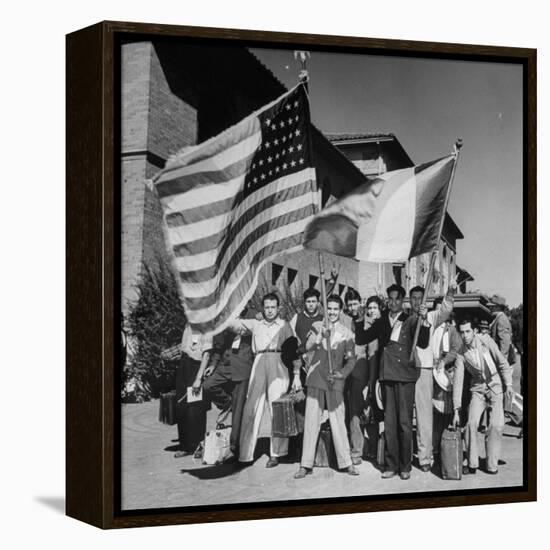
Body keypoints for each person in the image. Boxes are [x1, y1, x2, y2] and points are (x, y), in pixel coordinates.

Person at [354, 284, 430, 480]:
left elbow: (422, 342)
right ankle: (390, 465)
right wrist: (359, 316)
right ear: (387, 300)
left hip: (405, 377)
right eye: (391, 299)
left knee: (404, 424)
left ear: (403, 301)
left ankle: (405, 467)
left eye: (398, 299)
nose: (394, 302)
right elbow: (362, 338)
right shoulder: (381, 321)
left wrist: (425, 319)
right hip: (387, 376)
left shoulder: (411, 319)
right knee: (389, 423)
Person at [230, 293, 299, 467]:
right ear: (262, 308)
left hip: (278, 363)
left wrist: (297, 375)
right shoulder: (256, 324)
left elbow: (294, 351)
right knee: (251, 408)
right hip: (259, 362)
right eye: (266, 307)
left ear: (278, 308)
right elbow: (232, 324)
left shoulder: (285, 326)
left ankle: (277, 453)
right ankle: (245, 454)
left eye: (273, 307)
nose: (269, 310)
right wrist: (235, 307)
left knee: (279, 408)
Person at [294, 295, 358, 478]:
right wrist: (320, 336)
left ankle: (346, 462)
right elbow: (306, 347)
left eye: (335, 309)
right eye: (329, 308)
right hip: (315, 380)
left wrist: (343, 374)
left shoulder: (347, 333)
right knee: (311, 422)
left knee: (338, 422)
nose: (331, 312)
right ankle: (305, 464)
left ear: (341, 310)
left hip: (334, 380)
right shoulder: (317, 326)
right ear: (325, 309)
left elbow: (351, 360)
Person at [452, 318, 514, 474]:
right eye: (462, 332)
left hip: (495, 385)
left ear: (474, 331)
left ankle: (492, 465)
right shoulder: (461, 353)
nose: (465, 335)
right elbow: (458, 382)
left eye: (467, 331)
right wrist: (456, 410)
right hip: (478, 389)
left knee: (495, 425)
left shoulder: (486, 341)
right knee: (471, 423)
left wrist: (509, 385)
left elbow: (502, 363)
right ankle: (472, 464)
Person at [409, 280, 456, 472]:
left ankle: (425, 457)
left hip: (424, 370)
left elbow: (445, 309)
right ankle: (405, 456)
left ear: (425, 301)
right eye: (414, 298)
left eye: (420, 298)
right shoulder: (405, 318)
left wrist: (451, 291)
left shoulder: (431, 316)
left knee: (424, 416)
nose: (417, 301)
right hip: (405, 371)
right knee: (404, 416)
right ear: (410, 301)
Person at [201, 309, 253, 460]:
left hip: (242, 366)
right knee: (207, 386)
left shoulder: (252, 316)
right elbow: (219, 346)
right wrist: (213, 364)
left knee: (238, 413)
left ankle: (234, 448)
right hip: (225, 364)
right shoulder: (224, 317)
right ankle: (227, 403)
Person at [342, 290, 378, 465]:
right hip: (347, 375)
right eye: (349, 304)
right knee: (352, 414)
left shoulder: (369, 323)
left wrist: (370, 382)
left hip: (362, 375)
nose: (352, 307)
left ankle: (371, 449)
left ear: (360, 303)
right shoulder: (346, 322)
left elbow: (372, 355)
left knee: (366, 412)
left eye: (355, 303)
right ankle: (356, 450)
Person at [288, 288, 324, 457]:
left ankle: (315, 447)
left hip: (317, 368)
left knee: (316, 407)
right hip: (299, 368)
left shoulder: (323, 319)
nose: (311, 305)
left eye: (313, 301)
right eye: (308, 302)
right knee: (299, 406)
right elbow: (291, 341)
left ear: (318, 302)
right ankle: (299, 447)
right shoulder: (297, 318)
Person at [174, 325, 213, 458]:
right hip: (183, 366)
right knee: (182, 406)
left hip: (195, 368)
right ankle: (184, 445)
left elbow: (206, 355)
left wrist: (198, 378)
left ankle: (198, 446)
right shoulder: (188, 324)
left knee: (195, 409)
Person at [431, 303, 462, 468]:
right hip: (430, 373)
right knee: (433, 415)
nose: (440, 312)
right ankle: (434, 451)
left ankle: (444, 451)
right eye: (438, 309)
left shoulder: (451, 330)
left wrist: (443, 361)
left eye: (443, 309)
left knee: (444, 414)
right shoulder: (429, 326)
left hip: (444, 375)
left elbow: (456, 349)